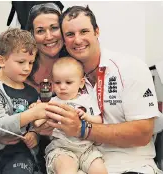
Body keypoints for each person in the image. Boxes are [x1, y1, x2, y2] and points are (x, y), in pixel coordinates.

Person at [43, 5, 162, 174]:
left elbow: (143, 133)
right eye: (70, 34)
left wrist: (82, 129)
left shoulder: (130, 68)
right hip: (79, 163)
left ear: (97, 31)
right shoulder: (65, 76)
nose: (77, 40)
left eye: (84, 31)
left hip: (130, 166)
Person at [0, 28, 49, 174]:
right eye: (21, 62)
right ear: (1, 61)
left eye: (31, 63)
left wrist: (34, 135)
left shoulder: (32, 92)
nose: (27, 68)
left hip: (20, 153)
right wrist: (33, 113)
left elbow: (34, 126)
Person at [41, 56, 107, 174]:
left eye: (68, 82)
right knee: (66, 169)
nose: (62, 87)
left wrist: (87, 117)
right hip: (62, 148)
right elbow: (39, 122)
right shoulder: (52, 102)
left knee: (100, 170)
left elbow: (99, 120)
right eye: (57, 82)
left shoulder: (87, 100)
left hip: (87, 149)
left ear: (81, 83)